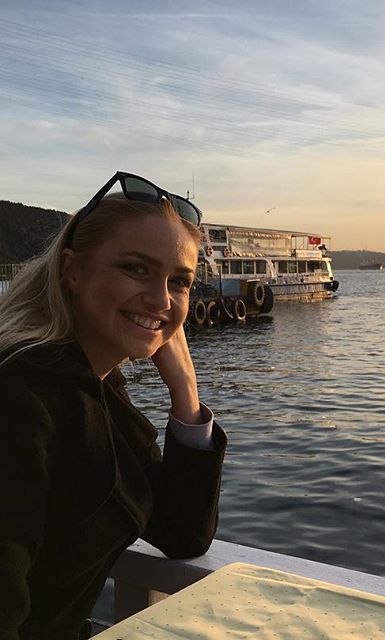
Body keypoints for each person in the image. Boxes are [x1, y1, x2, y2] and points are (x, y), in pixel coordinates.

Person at [0, 172, 227, 640]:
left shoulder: (97, 388)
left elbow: (183, 533)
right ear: (73, 271)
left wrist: (186, 391)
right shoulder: (20, 397)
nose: (161, 299)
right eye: (136, 269)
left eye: (179, 282)